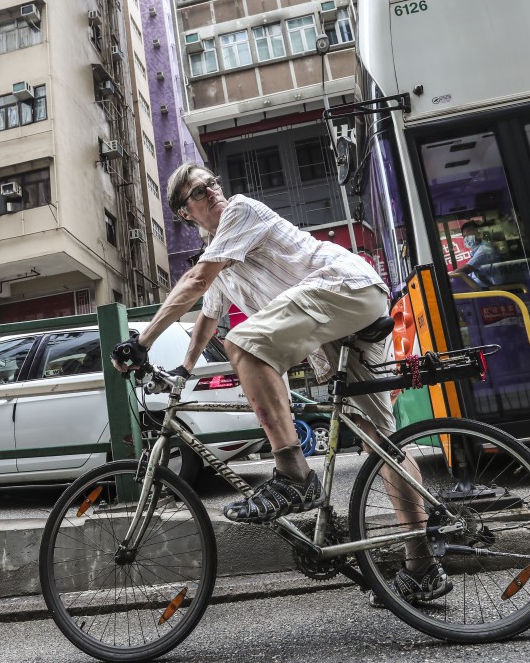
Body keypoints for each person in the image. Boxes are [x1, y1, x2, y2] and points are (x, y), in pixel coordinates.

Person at [111, 162, 451, 602]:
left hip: (341, 286)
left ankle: (292, 471)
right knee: (380, 442)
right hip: (338, 324)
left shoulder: (240, 211)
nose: (212, 190)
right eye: (199, 190)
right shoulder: (223, 257)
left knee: (247, 344)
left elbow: (196, 282)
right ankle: (421, 564)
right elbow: (205, 320)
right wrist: (182, 372)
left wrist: (143, 340)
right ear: (184, 212)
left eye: (212, 182)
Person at [448, 220, 500, 288]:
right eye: (464, 236)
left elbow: (465, 269)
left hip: (492, 289)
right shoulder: (477, 250)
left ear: (479, 232)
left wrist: (448, 277)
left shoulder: (485, 249)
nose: (466, 238)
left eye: (468, 234)